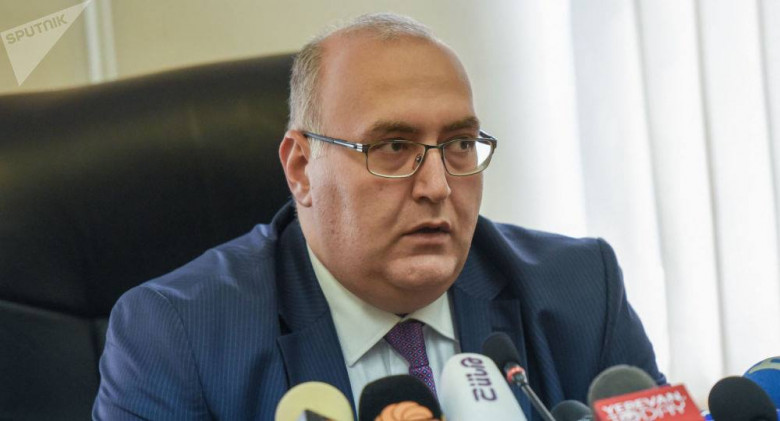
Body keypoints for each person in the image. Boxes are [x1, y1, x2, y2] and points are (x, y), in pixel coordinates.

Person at [93, 13, 665, 420]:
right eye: (393, 147)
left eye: (459, 145)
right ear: (301, 168)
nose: (437, 186)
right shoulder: (177, 336)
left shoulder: (581, 290)